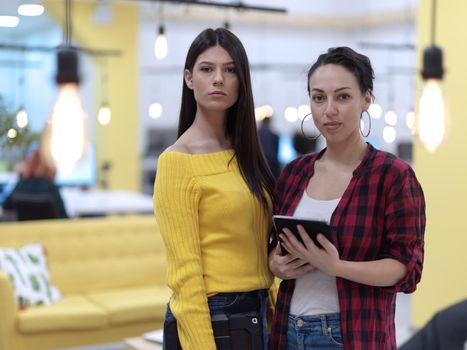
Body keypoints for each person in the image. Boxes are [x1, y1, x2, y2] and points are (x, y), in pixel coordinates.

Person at [268, 47, 426, 350]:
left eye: (342, 97)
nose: (329, 109)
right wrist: (275, 264)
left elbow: (407, 270)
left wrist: (337, 266)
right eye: (318, 98)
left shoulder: (392, 176)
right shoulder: (293, 174)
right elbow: (274, 248)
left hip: (350, 335)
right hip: (287, 330)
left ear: (366, 99)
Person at [153, 28, 276, 350]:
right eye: (207, 69)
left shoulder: (247, 155)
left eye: (230, 70)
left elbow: (259, 246)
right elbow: (185, 275)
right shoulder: (177, 162)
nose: (219, 79)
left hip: (258, 311)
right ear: (189, 79)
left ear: (242, 81)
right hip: (213, 317)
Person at [2, 149, 68, 219]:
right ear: (50, 165)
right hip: (50, 229)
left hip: (25, 229)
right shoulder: (50, 187)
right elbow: (64, 218)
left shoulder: (21, 185)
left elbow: (5, 207)